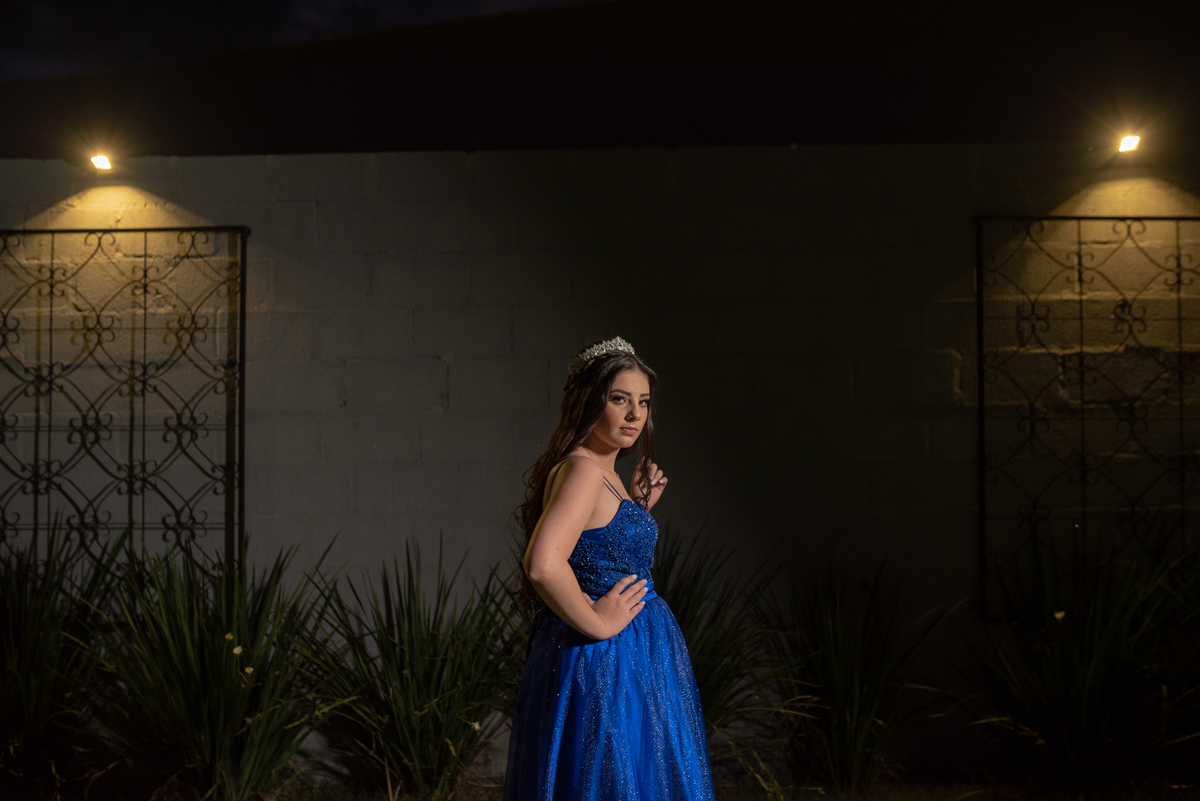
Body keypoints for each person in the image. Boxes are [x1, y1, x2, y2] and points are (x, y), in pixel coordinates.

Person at [503, 337, 715, 801]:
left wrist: (634, 510)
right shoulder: (583, 471)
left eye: (644, 402)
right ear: (588, 400)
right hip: (607, 656)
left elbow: (597, 546)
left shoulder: (600, 472)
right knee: (609, 779)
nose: (635, 414)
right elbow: (543, 564)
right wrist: (598, 622)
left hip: (630, 651)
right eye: (620, 399)